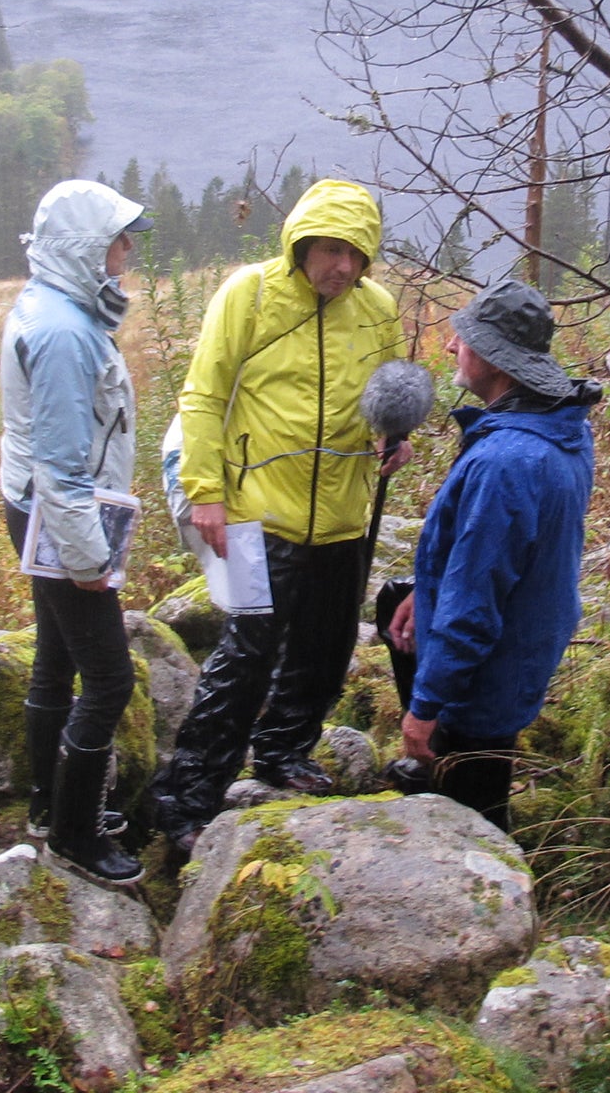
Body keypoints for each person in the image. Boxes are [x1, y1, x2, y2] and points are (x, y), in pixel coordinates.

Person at [152, 178, 409, 852]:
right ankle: (187, 799)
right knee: (246, 656)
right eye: (330, 250)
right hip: (254, 513)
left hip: (345, 515)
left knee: (326, 649)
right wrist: (205, 490)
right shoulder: (251, 294)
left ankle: (284, 750)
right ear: (301, 242)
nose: (343, 267)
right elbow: (203, 395)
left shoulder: (377, 307)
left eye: (356, 254)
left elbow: (384, 393)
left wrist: (394, 435)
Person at [388, 278, 600, 832]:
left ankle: (501, 901)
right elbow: (492, 555)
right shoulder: (560, 430)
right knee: (391, 600)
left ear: (497, 360)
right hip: (521, 652)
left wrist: (425, 709)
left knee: (472, 825)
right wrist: (422, 589)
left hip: (482, 683)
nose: (453, 348)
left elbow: (474, 604)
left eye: (465, 339)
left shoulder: (505, 462)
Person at [0, 179, 153, 887]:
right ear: (85, 248)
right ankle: (72, 835)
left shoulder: (58, 307)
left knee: (57, 660)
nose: (127, 251)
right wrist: (90, 558)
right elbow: (60, 468)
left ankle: (46, 806)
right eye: (118, 239)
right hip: (60, 517)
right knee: (111, 678)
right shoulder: (63, 333)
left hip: (39, 510)